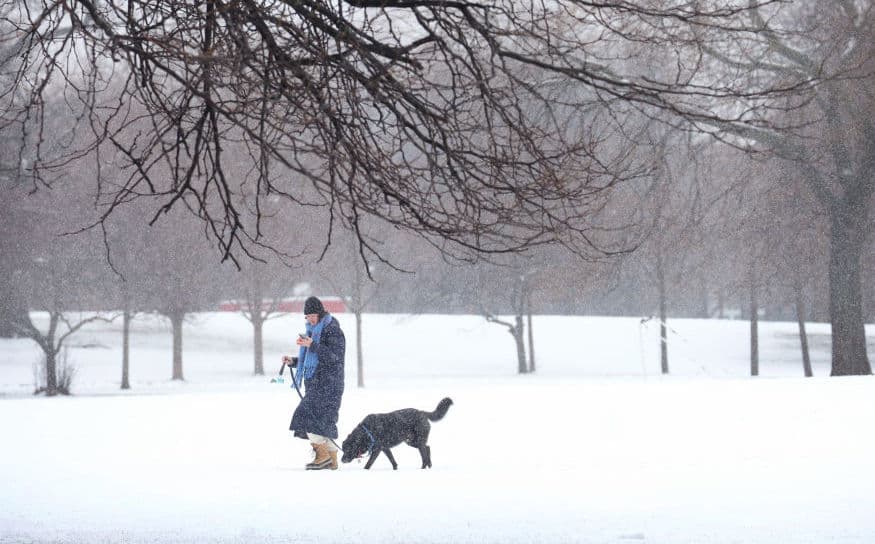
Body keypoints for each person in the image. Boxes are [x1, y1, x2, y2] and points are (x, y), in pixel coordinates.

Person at [283, 296, 346, 470]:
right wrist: (294, 362)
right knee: (323, 422)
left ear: (320, 313)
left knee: (306, 417)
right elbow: (314, 359)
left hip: (329, 385)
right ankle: (331, 459)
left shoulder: (332, 330)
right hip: (317, 384)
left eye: (312, 315)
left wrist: (313, 345)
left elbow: (334, 358)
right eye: (307, 316)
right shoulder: (312, 331)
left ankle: (323, 457)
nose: (309, 319)